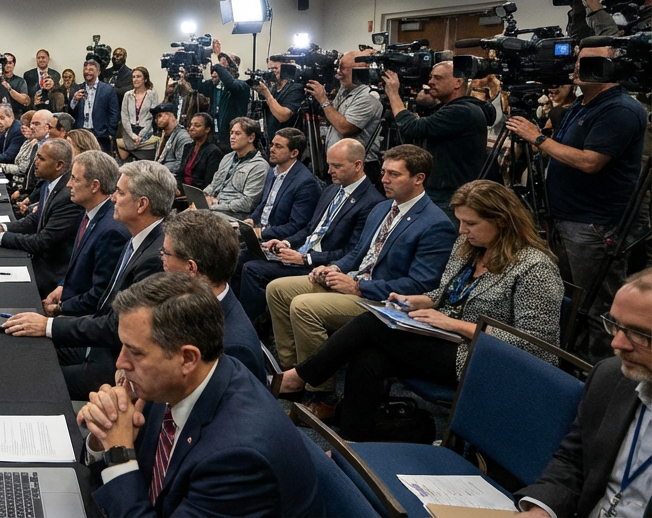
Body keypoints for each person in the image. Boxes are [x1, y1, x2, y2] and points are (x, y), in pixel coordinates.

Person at [275, 180, 564, 432]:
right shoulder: (471, 249)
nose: (462, 231)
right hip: (447, 341)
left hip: (488, 360)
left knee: (372, 324)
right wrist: (418, 301)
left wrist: (455, 325)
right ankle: (353, 442)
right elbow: (445, 292)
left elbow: (537, 345)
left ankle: (298, 378)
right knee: (368, 357)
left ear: (502, 220)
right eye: (460, 222)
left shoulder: (535, 267)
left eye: (471, 223)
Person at [78, 273, 321, 518]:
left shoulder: (236, 460)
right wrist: (104, 434)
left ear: (187, 359)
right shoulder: (174, 382)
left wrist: (118, 453)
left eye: (135, 352)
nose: (121, 363)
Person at [266, 145, 455, 403]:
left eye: (394, 174)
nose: (384, 179)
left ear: (418, 178)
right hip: (354, 282)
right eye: (384, 172)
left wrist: (357, 287)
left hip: (381, 299)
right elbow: (357, 253)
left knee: (303, 306)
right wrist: (334, 268)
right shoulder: (382, 208)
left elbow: (421, 284)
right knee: (277, 289)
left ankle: (319, 391)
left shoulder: (435, 223)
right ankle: (293, 370)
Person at [506, 45, 647, 353]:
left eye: (590, 62)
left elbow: (589, 162)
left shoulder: (620, 109)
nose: (578, 67)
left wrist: (537, 138)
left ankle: (603, 376)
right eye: (578, 61)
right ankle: (570, 363)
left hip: (594, 224)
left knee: (599, 309)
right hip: (565, 217)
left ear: (612, 69)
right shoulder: (584, 104)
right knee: (566, 298)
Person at [4, 161, 176, 400]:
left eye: (120, 192)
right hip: (96, 341)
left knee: (31, 377)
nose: (113, 198)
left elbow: (118, 326)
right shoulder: (138, 239)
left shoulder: (154, 258)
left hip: (112, 362)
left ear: (142, 204)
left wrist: (48, 325)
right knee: (20, 348)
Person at [515, 267, 652, 518]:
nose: (616, 343)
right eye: (615, 324)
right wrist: (542, 510)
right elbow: (574, 461)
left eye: (640, 334)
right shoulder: (610, 378)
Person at [241, 139, 385, 323]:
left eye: (336, 166)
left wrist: (305, 259)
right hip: (301, 253)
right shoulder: (332, 190)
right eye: (329, 164)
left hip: (320, 265)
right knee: (244, 253)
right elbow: (311, 228)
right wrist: (286, 242)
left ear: (357, 165)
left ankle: (253, 329)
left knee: (252, 269)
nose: (329, 171)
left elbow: (351, 252)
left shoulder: (372, 202)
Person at [384, 61, 494, 221]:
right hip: (450, 192)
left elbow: (412, 127)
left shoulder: (461, 111)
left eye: (438, 78)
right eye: (430, 77)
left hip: (448, 196)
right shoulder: (464, 108)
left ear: (458, 83)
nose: (430, 82)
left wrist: (393, 93)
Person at [160, 210, 264, 378]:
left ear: (191, 268)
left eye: (166, 253)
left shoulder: (233, 349)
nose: (162, 259)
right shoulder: (185, 301)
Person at [0, 139, 83, 296]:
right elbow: (35, 220)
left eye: (41, 159)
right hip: (39, 258)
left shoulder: (67, 196)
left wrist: (1, 236)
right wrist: (3, 227)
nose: (35, 162)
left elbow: (43, 241)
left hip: (51, 271)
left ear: (59, 165)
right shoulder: (49, 184)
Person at [40, 150, 131, 317]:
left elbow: (100, 295)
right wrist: (62, 286)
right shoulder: (91, 211)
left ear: (95, 186)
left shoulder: (111, 231)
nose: (68, 184)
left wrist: (61, 309)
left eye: (75, 179)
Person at [306, 50, 383, 185]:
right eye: (338, 67)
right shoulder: (345, 89)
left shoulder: (369, 96)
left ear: (359, 71)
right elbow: (332, 116)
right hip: (339, 164)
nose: (338, 72)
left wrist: (323, 99)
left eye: (342, 68)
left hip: (359, 167)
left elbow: (344, 128)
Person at [243, 127, 322, 246]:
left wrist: (261, 233)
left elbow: (296, 226)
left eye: (278, 146)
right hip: (260, 235)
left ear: (294, 153)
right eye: (272, 145)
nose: (271, 149)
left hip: (277, 242)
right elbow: (263, 204)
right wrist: (252, 220)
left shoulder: (306, 183)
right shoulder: (272, 171)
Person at [203, 117, 270, 221]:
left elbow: (247, 203)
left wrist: (216, 205)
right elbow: (214, 184)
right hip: (213, 210)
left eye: (237, 134)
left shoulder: (259, 166)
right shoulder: (227, 157)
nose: (232, 137)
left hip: (234, 217)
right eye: (231, 133)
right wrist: (205, 196)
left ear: (251, 138)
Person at [191, 39, 251, 150]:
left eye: (222, 66)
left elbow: (230, 83)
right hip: (214, 136)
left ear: (232, 69)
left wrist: (216, 58)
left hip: (232, 138)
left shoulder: (242, 86)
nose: (217, 69)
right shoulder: (215, 86)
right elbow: (197, 86)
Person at [70, 59, 121, 154]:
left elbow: (114, 113)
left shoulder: (108, 90)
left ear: (98, 72)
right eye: (85, 69)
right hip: (81, 134)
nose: (87, 72)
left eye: (91, 69)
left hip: (101, 135)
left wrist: (110, 133)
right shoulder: (76, 88)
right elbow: (70, 112)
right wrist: (74, 100)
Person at [253, 57, 305, 143]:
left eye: (275, 68)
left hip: (288, 142)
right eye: (270, 69)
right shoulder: (273, 88)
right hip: (271, 138)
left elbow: (283, 116)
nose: (272, 72)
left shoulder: (295, 88)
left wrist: (267, 94)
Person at [119, 66, 159, 161]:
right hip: (129, 132)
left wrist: (141, 135)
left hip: (146, 132)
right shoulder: (127, 95)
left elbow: (152, 117)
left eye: (138, 76)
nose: (135, 79)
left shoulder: (152, 94)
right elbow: (124, 116)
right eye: (133, 77)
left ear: (145, 79)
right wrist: (132, 135)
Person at [177, 112, 223, 191]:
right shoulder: (187, 147)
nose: (191, 128)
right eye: (191, 125)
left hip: (198, 193)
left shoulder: (213, 151)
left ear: (207, 129)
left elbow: (209, 182)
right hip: (182, 189)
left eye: (197, 126)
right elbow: (180, 173)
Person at [0, 110, 38, 185]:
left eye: (27, 125)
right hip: (15, 181)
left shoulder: (36, 145)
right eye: (22, 125)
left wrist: (0, 166)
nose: (23, 128)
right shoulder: (27, 142)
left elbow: (22, 169)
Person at [151, 102, 193, 180]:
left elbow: (180, 165)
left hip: (171, 180)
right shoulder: (163, 137)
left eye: (160, 116)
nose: (157, 120)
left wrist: (157, 171)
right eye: (156, 117)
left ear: (171, 116)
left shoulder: (183, 137)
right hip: (159, 177)